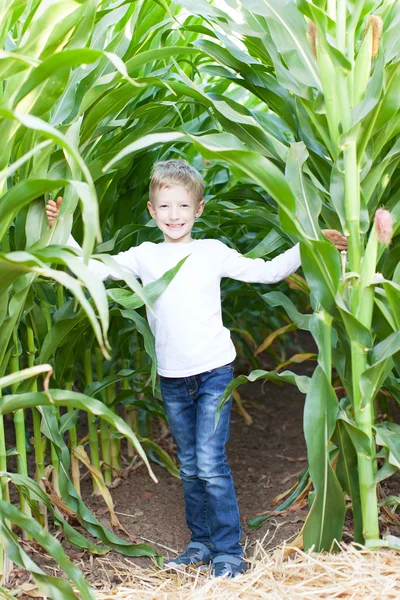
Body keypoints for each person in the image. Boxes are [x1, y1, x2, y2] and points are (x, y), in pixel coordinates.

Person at [46, 159, 347, 578]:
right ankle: (200, 543)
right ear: (152, 212)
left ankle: (229, 552)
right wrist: (60, 233)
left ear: (198, 209)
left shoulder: (211, 252)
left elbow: (266, 272)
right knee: (189, 464)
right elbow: (92, 269)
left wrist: (312, 245)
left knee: (209, 463)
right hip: (172, 378)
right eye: (165, 207)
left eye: (182, 206)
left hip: (213, 374)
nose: (174, 215)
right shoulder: (144, 256)